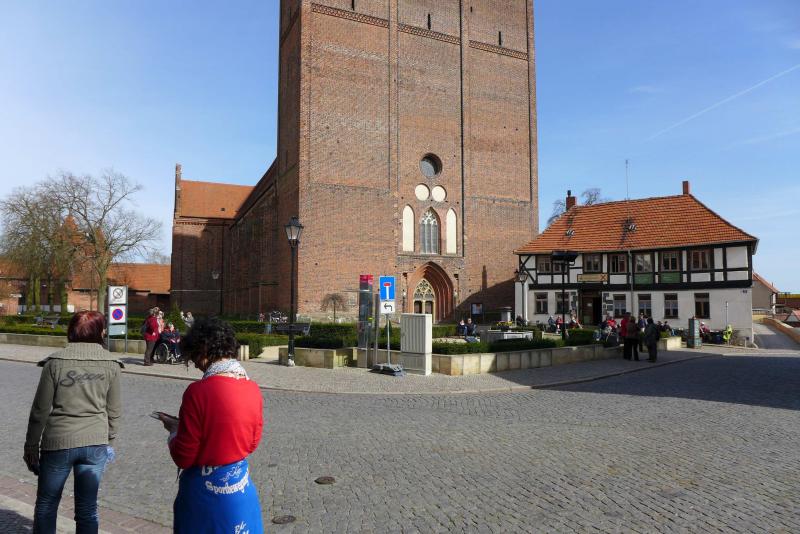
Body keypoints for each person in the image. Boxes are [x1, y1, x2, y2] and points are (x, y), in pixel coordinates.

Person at [156, 317, 264, 533]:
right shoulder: (252, 388)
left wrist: (174, 430)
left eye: (194, 357)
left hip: (205, 498)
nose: (195, 364)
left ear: (204, 350)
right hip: (241, 493)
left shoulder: (198, 392)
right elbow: (252, 443)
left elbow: (183, 457)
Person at [24, 310, 122, 534]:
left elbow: (40, 410)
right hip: (95, 442)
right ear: (100, 332)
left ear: (71, 332)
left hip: (58, 441)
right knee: (88, 509)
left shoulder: (55, 363)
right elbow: (114, 411)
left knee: (47, 504)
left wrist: (31, 445)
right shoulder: (112, 364)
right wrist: (109, 441)